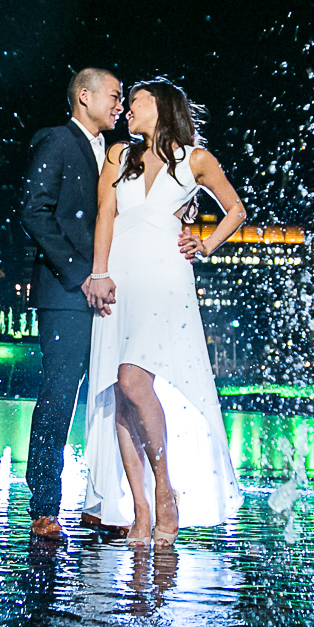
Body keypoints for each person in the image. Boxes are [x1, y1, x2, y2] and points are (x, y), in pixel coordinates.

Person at [82, 80, 246, 542]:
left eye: (133, 101)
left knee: (135, 380)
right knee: (119, 391)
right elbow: (105, 215)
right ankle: (141, 511)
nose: (125, 108)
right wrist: (98, 273)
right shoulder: (120, 155)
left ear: (159, 106)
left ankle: (164, 491)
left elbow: (236, 209)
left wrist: (207, 243)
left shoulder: (195, 160)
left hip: (166, 278)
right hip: (119, 276)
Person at [19, 67, 125, 539]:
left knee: (110, 397)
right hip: (66, 295)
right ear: (85, 96)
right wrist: (83, 276)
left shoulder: (119, 154)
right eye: (115, 96)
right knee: (59, 397)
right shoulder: (56, 141)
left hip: (110, 297)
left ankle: (101, 503)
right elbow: (34, 212)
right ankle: (44, 504)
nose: (120, 105)